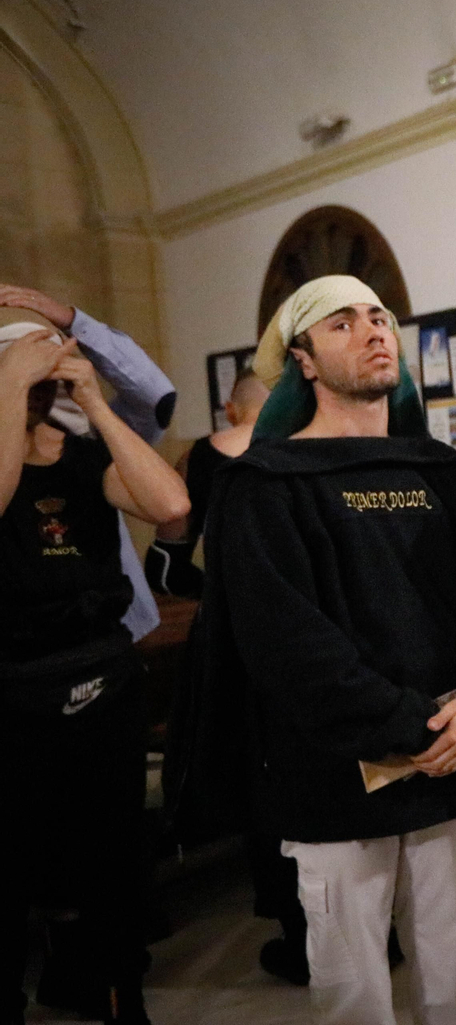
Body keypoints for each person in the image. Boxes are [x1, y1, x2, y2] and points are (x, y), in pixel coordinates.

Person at [200, 276, 456, 1025]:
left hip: (448, 766)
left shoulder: (434, 472)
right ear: (303, 360)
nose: (374, 330)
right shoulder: (264, 486)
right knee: (355, 997)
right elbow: (289, 646)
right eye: (342, 323)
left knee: (453, 985)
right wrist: (413, 730)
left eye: (380, 317)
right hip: (337, 779)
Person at [1, 320, 189, 1025]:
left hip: (103, 674)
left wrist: (98, 404)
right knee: (14, 863)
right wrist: (10, 385)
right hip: (16, 683)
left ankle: (112, 991)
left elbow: (170, 506)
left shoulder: (82, 454)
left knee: (114, 854)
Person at [0, 285, 177, 643]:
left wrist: (73, 326)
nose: (38, 389)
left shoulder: (81, 445)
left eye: (48, 378)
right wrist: (13, 383)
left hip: (102, 647)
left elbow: (171, 504)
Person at [143, 372, 270, 598]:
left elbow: (164, 568)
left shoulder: (195, 459)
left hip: (232, 619)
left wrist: (216, 597)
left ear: (230, 410)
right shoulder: (313, 453)